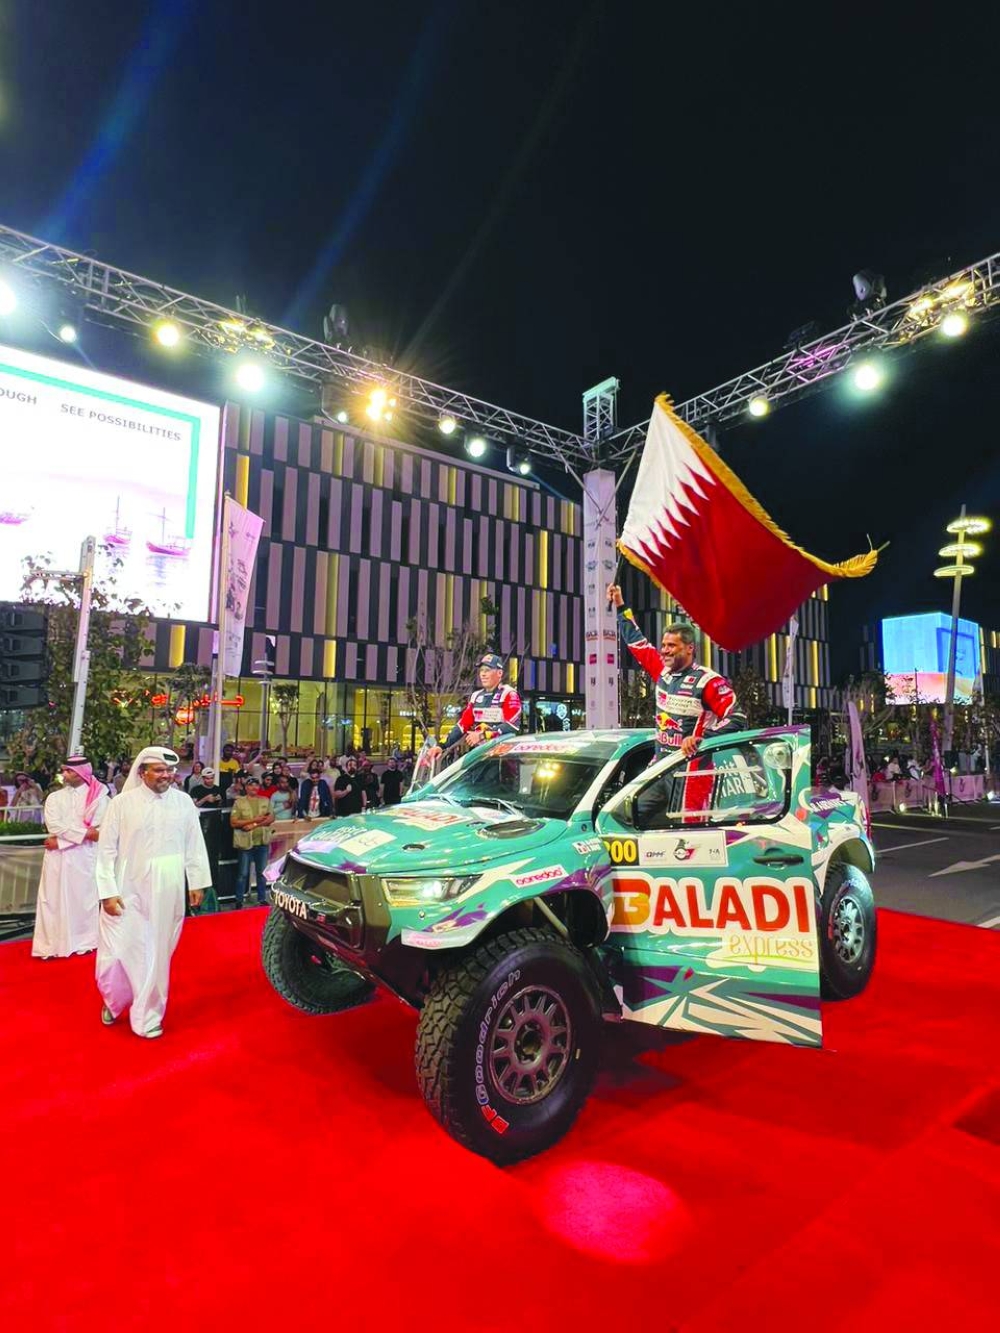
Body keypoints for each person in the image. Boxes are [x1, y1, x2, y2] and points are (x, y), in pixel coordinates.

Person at [94, 746, 210, 1039]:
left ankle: (147, 1017)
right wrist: (107, 892)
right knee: (115, 954)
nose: (166, 776)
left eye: (170, 771)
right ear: (142, 772)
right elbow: (105, 852)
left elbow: (194, 844)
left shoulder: (183, 802)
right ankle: (114, 999)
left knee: (156, 954)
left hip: (168, 888)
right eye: (159, 770)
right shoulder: (121, 804)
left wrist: (197, 881)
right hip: (125, 888)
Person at [607, 584, 745, 759]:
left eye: (671, 645)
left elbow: (738, 718)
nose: (665, 650)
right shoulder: (662, 671)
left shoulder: (709, 681)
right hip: (662, 767)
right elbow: (636, 641)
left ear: (690, 648)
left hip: (693, 770)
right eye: (663, 645)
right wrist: (620, 605)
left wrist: (703, 738)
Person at [31, 757, 109, 960]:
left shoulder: (101, 799)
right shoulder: (54, 798)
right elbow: (55, 826)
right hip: (57, 858)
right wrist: (82, 834)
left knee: (83, 899)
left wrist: (62, 842)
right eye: (64, 770)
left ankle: (85, 941)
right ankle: (49, 945)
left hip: (84, 857)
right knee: (52, 899)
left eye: (69, 771)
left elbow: (100, 832)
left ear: (82, 773)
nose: (64, 774)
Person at [430, 652, 522, 756]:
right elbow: (462, 725)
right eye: (481, 670)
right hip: (481, 755)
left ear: (499, 673)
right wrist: (441, 746)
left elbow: (512, 726)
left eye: (487, 670)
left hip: (504, 756)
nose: (483, 674)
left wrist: (482, 735)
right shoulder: (476, 696)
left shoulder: (509, 694)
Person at [229, 776, 275, 907]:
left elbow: (271, 818)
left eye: (256, 785)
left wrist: (254, 825)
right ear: (246, 787)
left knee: (262, 873)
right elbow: (233, 822)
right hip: (245, 843)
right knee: (242, 874)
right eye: (251, 785)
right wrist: (254, 820)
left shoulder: (265, 800)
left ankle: (261, 898)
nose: (254, 787)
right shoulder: (239, 802)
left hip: (262, 842)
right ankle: (239, 900)